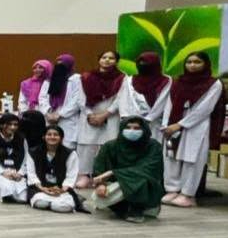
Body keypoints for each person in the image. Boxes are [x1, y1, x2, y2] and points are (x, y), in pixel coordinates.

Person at [160, 51, 224, 208]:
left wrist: (180, 124)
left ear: (205, 64)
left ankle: (188, 194)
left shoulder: (213, 84)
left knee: (192, 158)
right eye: (189, 62)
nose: (192, 65)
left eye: (197, 62)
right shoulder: (178, 82)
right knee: (171, 157)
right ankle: (172, 190)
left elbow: (205, 109)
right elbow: (170, 103)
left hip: (197, 126)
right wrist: (167, 124)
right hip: (174, 124)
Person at [92, 116, 164, 222]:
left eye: (136, 128)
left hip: (145, 189)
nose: (132, 131)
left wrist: (112, 172)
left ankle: (136, 209)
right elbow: (99, 168)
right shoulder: (110, 146)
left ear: (144, 129)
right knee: (98, 198)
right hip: (119, 186)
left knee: (141, 179)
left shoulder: (153, 146)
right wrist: (100, 185)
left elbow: (147, 170)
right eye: (128, 127)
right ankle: (124, 209)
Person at [75, 50, 126, 187]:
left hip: (110, 117)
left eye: (111, 58)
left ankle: (102, 177)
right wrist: (90, 114)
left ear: (116, 61)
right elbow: (80, 99)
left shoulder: (122, 78)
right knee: (86, 146)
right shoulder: (86, 77)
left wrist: (105, 115)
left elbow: (120, 99)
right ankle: (84, 175)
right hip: (89, 117)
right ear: (99, 60)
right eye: (104, 57)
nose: (107, 60)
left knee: (108, 146)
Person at [25, 124, 80, 213]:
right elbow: (31, 174)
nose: (52, 137)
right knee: (41, 203)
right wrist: (43, 189)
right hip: (41, 189)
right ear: (44, 137)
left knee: (63, 206)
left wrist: (61, 190)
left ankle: (55, 204)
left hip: (61, 190)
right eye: (49, 134)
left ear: (61, 138)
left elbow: (71, 176)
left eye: (56, 135)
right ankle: (51, 204)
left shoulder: (70, 154)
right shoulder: (33, 152)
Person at [40, 54, 84, 149]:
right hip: (50, 117)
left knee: (67, 149)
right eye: (58, 64)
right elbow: (42, 98)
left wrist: (60, 115)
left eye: (63, 64)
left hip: (67, 119)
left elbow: (77, 100)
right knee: (50, 148)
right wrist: (47, 113)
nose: (59, 66)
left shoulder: (76, 79)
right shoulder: (49, 79)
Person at [124, 51, 170, 138]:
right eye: (140, 62)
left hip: (156, 123)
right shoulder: (130, 80)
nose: (143, 65)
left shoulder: (166, 80)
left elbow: (162, 102)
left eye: (146, 63)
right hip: (134, 123)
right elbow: (127, 101)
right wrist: (135, 119)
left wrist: (149, 119)